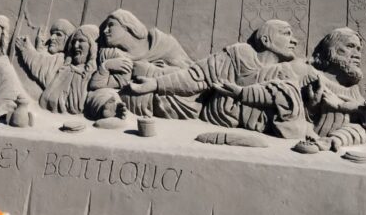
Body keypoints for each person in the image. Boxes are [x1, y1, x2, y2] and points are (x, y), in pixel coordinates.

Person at [129, 19, 309, 139]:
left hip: (231, 132)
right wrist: (156, 84)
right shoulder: (240, 54)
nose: (294, 41)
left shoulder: (287, 73)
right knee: (139, 97)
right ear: (265, 40)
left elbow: (293, 109)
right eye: (286, 34)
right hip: (189, 104)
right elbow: (197, 76)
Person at [88, 9, 198, 119]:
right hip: (134, 98)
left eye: (111, 25)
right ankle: (112, 110)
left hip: (167, 94)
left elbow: (188, 74)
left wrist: (150, 71)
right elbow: (101, 85)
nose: (105, 31)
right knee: (107, 94)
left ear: (127, 26)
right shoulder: (113, 55)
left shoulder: (161, 43)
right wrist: (106, 67)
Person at [293, 27, 366, 153]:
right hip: (307, 142)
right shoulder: (312, 78)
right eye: (350, 46)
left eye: (358, 49)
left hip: (336, 146)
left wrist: (343, 106)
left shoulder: (354, 91)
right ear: (331, 50)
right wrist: (312, 107)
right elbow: (292, 112)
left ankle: (331, 141)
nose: (357, 55)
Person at [14, 24, 98, 114]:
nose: (76, 45)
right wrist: (30, 50)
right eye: (74, 41)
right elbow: (43, 67)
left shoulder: (95, 76)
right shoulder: (65, 70)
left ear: (92, 46)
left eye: (81, 41)